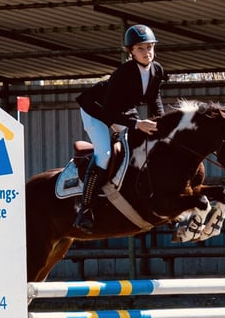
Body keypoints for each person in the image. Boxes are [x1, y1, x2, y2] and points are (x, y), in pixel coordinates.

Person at [72, 24, 168, 233]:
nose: (147, 52)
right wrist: (137, 124)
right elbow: (108, 113)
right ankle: (85, 208)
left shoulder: (157, 70)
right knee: (105, 154)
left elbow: (155, 99)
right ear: (131, 52)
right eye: (140, 48)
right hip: (96, 110)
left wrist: (163, 124)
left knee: (143, 142)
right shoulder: (122, 73)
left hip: (123, 110)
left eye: (150, 47)